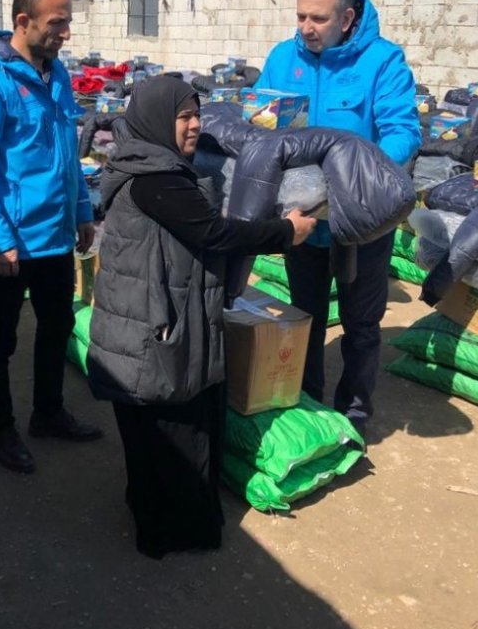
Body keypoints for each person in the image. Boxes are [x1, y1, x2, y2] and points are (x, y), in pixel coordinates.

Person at [87, 75, 316, 559]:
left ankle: (157, 515)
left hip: (149, 322)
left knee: (157, 432)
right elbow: (215, 232)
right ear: (155, 120)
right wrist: (285, 231)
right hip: (156, 331)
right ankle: (173, 531)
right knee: (172, 431)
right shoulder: (157, 180)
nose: (194, 126)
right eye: (183, 117)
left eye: (197, 116)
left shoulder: (146, 165)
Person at [255, 0, 421, 441]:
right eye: (300, 16)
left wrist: (352, 177)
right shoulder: (284, 58)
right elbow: (261, 123)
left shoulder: (383, 62)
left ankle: (353, 413)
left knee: (361, 323)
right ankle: (306, 401)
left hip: (361, 222)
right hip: (302, 220)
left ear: (347, 18)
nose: (305, 27)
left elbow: (403, 131)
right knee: (303, 315)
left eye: (318, 18)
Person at [0, 0, 103, 475]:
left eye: (67, 22)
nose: (65, 33)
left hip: (55, 236)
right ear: (23, 21)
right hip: (9, 244)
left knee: (57, 326)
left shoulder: (56, 75)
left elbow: (67, 155)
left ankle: (48, 412)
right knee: (1, 336)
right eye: (57, 22)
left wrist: (82, 210)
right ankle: (0, 428)